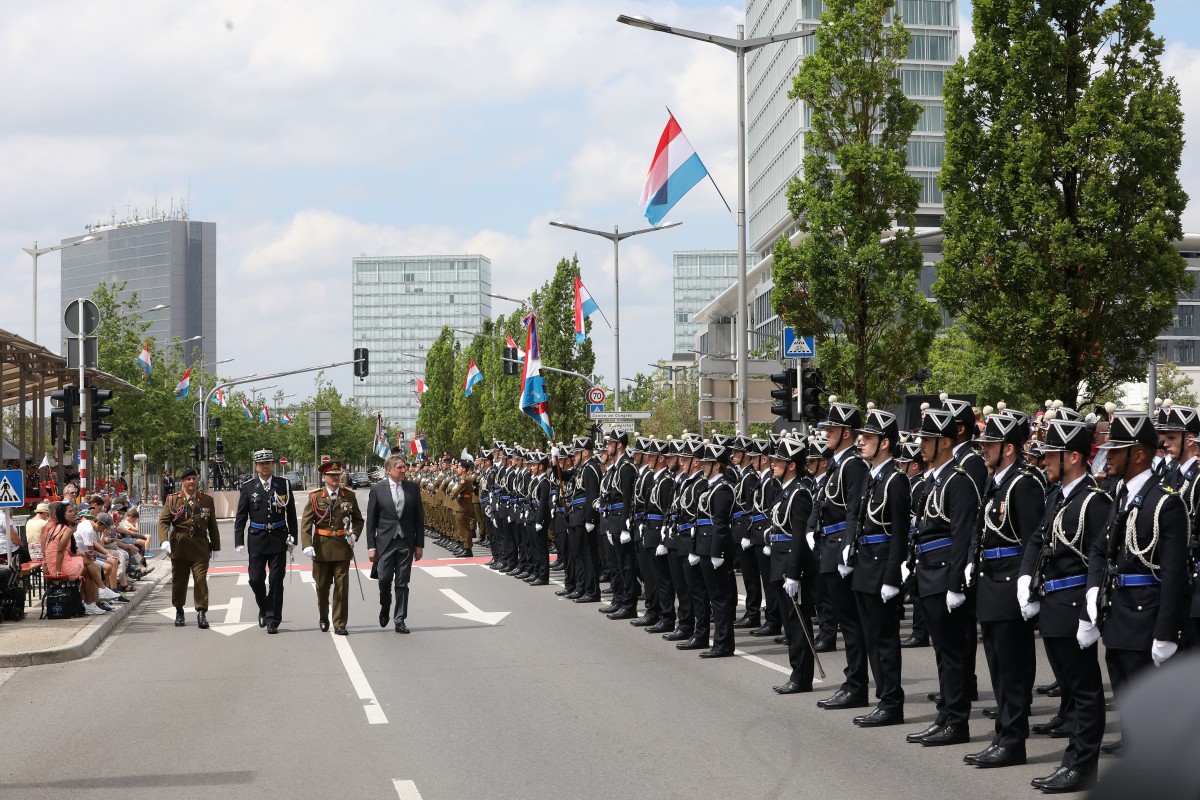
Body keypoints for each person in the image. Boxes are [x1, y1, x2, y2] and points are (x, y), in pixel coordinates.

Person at [234, 449, 299, 634]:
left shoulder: (283, 484)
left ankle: (272, 619)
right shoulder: (248, 487)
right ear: (256, 466)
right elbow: (241, 516)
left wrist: (293, 535)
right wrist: (239, 540)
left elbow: (291, 513)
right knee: (255, 579)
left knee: (277, 580)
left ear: (273, 464)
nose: (265, 466)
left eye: (268, 463)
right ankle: (263, 606)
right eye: (261, 463)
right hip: (257, 538)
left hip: (278, 536)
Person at [302, 461, 364, 635]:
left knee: (342, 587)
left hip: (342, 547)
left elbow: (358, 520)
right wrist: (306, 544)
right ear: (324, 478)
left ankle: (339, 623)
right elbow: (306, 523)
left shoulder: (348, 496)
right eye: (332, 475)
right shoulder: (315, 497)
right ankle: (323, 617)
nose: (335, 478)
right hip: (321, 547)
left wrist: (355, 534)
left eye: (337, 475)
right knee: (322, 586)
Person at [365, 454, 424, 633]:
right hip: (385, 543)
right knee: (384, 580)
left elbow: (419, 519)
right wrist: (371, 547)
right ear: (389, 470)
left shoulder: (412, 488)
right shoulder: (378, 489)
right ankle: (385, 606)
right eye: (399, 467)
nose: (403, 470)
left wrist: (419, 544)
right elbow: (371, 521)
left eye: (404, 467)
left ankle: (400, 620)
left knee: (402, 583)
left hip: (405, 542)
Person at [160, 467, 221, 628]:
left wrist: (216, 546)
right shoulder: (173, 500)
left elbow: (212, 525)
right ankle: (179, 610)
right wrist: (163, 540)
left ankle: (201, 612)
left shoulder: (206, 500)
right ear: (182, 482)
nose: (192, 482)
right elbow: (164, 521)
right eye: (188, 479)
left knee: (200, 580)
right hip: (180, 546)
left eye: (194, 479)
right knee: (179, 581)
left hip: (200, 546)